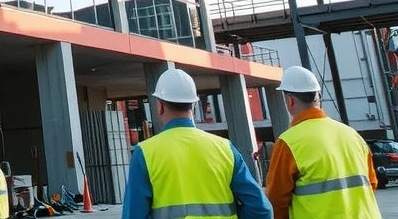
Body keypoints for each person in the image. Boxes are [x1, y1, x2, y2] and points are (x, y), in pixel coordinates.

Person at [122, 67, 271, 219]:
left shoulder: (146, 152)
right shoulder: (225, 148)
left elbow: (133, 215)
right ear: (193, 105)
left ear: (160, 106)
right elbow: (261, 209)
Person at [265, 65, 381, 219]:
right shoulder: (352, 135)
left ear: (290, 100)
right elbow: (371, 183)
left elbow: (276, 198)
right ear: (318, 96)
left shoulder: (288, 142)